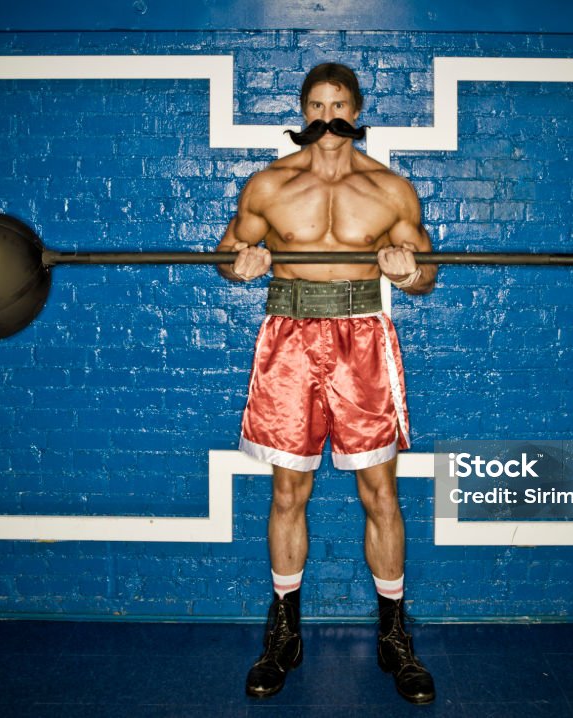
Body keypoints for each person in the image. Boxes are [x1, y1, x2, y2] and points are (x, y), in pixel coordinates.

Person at [216, 63, 437, 705]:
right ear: (302, 110)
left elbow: (425, 275)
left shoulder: (391, 190)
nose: (327, 115)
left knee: (380, 492)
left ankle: (394, 636)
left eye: (338, 104)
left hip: (362, 338)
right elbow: (231, 256)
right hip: (288, 336)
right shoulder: (269, 184)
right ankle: (284, 634)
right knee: (289, 492)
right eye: (315, 104)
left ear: (358, 109)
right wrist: (244, 266)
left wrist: (407, 273)